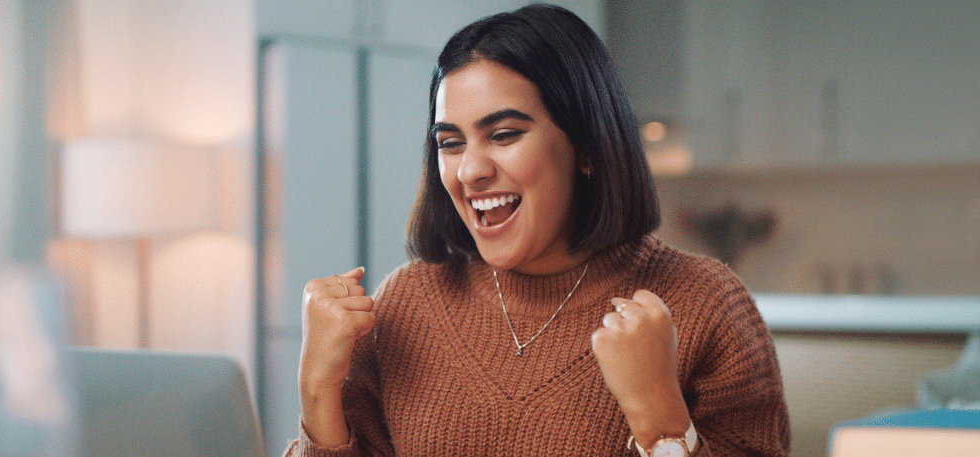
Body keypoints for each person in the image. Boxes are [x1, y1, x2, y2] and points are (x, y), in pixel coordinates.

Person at [287, 4, 790, 456]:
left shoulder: (704, 303)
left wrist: (659, 417)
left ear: (588, 147)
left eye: (503, 135)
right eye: (450, 142)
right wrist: (316, 387)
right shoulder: (405, 303)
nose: (470, 171)